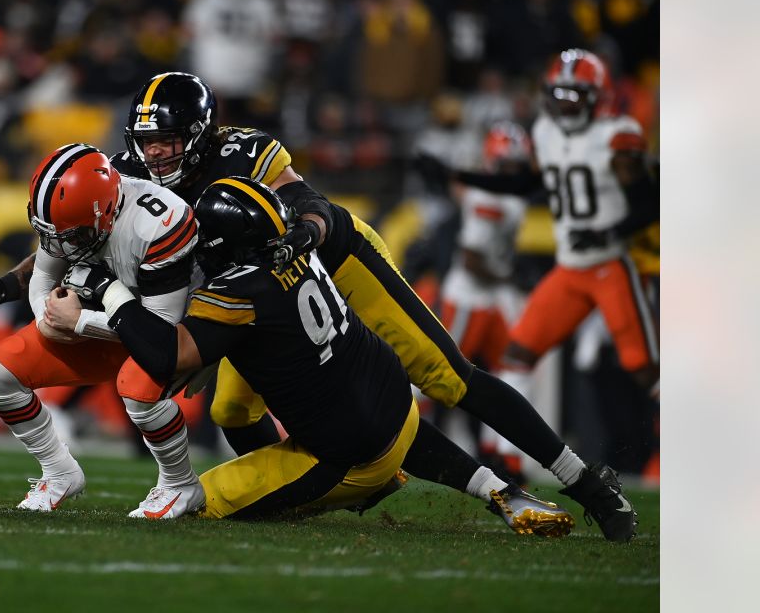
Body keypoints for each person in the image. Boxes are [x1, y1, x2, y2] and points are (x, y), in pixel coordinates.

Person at [0, 71, 636, 541]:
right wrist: (5, 287)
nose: (154, 155)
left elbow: (318, 210)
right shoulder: (135, 179)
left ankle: (584, 478)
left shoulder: (248, 154)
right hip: (249, 295)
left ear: (204, 133)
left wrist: (293, 240)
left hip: (327, 266)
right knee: (230, 409)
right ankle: (304, 495)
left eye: (167, 141)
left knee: (448, 377)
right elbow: (89, 231)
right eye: (144, 142)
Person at [61, 177, 570, 531]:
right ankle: (493, 488)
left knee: (193, 505)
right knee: (232, 407)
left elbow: (168, 358)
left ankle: (345, 488)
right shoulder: (298, 250)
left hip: (348, 457)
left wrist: (104, 299)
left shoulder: (239, 292)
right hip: (395, 402)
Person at [418, 48, 660, 470]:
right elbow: (526, 182)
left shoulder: (617, 134)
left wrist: (606, 231)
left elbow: (650, 203)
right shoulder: (547, 132)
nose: (565, 103)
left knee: (644, 369)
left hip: (610, 265)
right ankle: (508, 459)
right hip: (569, 269)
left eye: (575, 94)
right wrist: (461, 176)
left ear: (596, 96)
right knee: (517, 354)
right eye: (560, 93)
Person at [0, 144, 206, 518]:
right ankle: (58, 470)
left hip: (173, 334)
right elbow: (43, 276)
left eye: (71, 235)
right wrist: (50, 318)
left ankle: (180, 483)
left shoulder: (157, 222)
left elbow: (161, 334)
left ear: (105, 213)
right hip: (104, 322)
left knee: (138, 390)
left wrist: (77, 321)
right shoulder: (72, 215)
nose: (61, 244)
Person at [437, 121, 532, 477]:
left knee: (509, 373)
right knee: (438, 374)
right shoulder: (489, 197)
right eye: (506, 165)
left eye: (516, 166)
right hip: (469, 296)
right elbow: (472, 261)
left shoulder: (505, 194)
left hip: (492, 296)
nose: (512, 172)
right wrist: (511, 276)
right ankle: (397, 438)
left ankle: (500, 454)